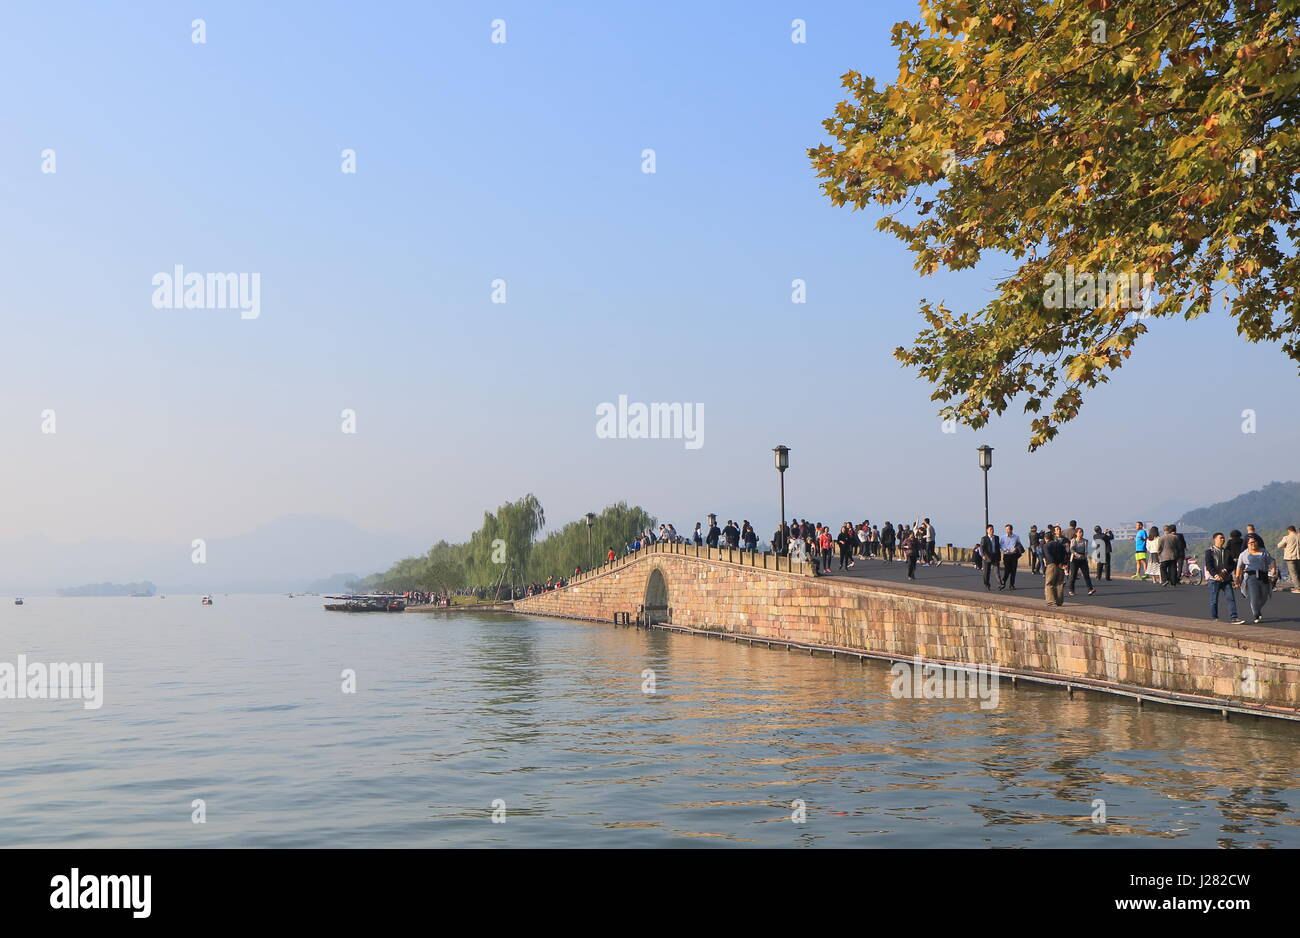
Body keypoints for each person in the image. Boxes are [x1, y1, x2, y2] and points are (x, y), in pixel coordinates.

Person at [1235, 534, 1278, 623]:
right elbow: (1239, 567)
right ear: (1247, 544)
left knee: (1264, 596)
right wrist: (1237, 578)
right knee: (1254, 596)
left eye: (1255, 542)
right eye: (1251, 543)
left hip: (1263, 576)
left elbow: (1271, 560)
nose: (1253, 544)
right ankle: (1256, 614)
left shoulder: (1263, 552)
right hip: (1251, 576)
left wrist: (1273, 569)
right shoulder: (1243, 554)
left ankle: (1257, 609)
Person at [1204, 533, 1243, 623]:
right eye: (1221, 538)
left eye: (1223, 538)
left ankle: (1234, 617)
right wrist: (1215, 575)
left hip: (1226, 579)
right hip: (1214, 580)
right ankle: (1215, 617)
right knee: (1214, 599)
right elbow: (1209, 565)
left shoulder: (1227, 552)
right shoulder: (1209, 552)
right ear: (1215, 539)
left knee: (1231, 598)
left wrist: (1226, 570)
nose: (1223, 540)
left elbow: (1233, 564)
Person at [1043, 530, 1069, 605]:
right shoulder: (1060, 545)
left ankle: (1051, 601)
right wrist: (1063, 563)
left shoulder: (1046, 545)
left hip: (1052, 565)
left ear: (1046, 539)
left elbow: (1048, 556)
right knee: (1059, 583)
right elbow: (1066, 554)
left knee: (1049, 583)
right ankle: (1059, 601)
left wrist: (1053, 563)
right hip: (1061, 565)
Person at [1068, 528, 1095, 595]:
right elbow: (1071, 549)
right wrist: (1077, 554)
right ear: (1076, 533)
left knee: (1086, 575)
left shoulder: (1085, 541)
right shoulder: (1073, 540)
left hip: (1083, 559)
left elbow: (1086, 550)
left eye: (1082, 532)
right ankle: (1071, 590)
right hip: (1074, 559)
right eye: (1079, 532)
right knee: (1073, 575)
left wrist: (1085, 557)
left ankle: (1090, 589)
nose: (1081, 533)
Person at [1276, 525, 1300, 592]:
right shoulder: (1299, 536)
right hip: (1298, 557)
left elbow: (1279, 545)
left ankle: (1298, 588)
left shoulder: (1287, 537)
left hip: (1290, 557)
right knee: (1298, 572)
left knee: (1293, 573)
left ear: (1289, 530)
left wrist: (1285, 546)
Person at [999, 523, 1023, 589]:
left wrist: (1016, 549)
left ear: (1011, 530)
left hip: (1014, 555)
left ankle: (1011, 585)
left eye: (1008, 529)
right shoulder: (1002, 537)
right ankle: (1003, 581)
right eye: (1006, 529)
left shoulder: (1016, 536)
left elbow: (1019, 544)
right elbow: (1000, 545)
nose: (1007, 531)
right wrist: (1005, 550)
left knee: (1013, 571)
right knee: (1007, 570)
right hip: (1006, 555)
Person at [979, 524, 1002, 590]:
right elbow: (982, 548)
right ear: (987, 530)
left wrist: (999, 556)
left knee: (997, 571)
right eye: (990, 529)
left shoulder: (996, 537)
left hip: (995, 556)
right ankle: (987, 584)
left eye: (993, 529)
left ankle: (1000, 584)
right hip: (987, 557)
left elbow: (998, 547)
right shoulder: (984, 538)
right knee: (986, 572)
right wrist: (983, 555)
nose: (992, 530)